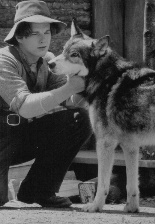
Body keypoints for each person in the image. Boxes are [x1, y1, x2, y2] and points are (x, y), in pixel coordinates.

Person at [0, 0, 92, 208]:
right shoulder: (4, 61)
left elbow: (72, 100)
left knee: (78, 119)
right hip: (2, 138)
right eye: (35, 34)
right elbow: (25, 107)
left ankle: (38, 191)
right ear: (20, 36)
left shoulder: (45, 62)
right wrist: (70, 88)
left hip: (17, 137)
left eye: (47, 32)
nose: (44, 39)